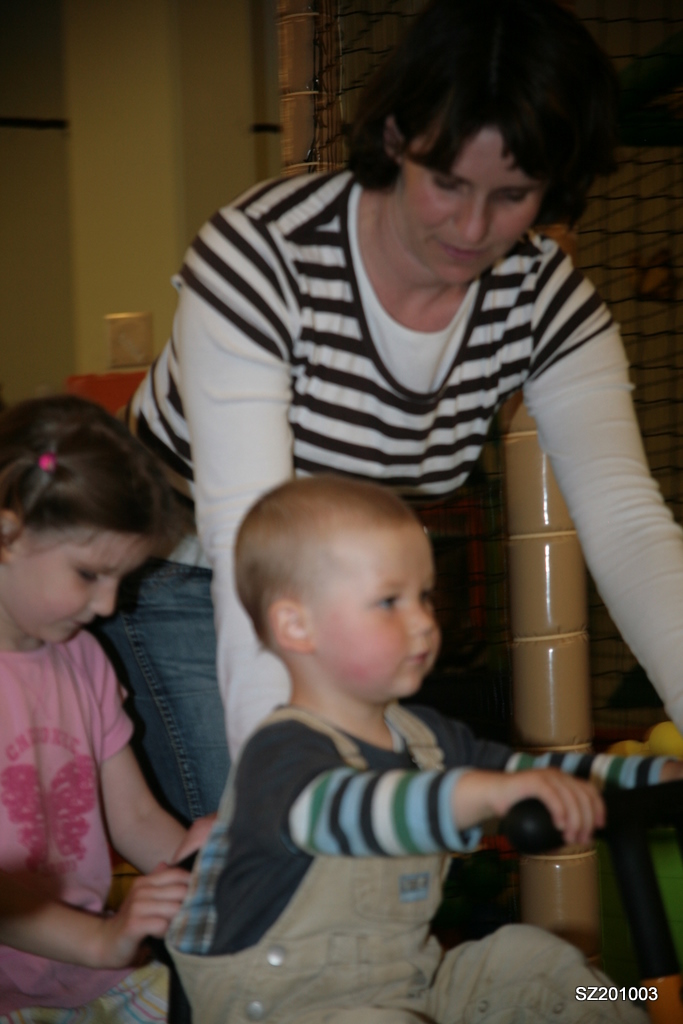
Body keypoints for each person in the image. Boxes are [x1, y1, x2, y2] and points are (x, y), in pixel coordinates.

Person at [104, 0, 683, 818]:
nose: (472, 227)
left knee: (380, 840)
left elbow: (627, 526)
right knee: (274, 827)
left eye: (512, 194)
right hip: (184, 570)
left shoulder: (542, 299)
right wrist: (282, 796)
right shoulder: (262, 258)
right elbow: (249, 541)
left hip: (345, 590)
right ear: (393, 139)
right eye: (447, 183)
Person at [168, 476, 681, 1024]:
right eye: (390, 601)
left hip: (406, 986)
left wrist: (648, 777)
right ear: (297, 626)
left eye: (425, 596)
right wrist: (487, 792)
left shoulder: (426, 739)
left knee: (535, 963)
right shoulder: (281, 752)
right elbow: (345, 810)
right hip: (280, 1008)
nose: (423, 621)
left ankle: (637, 1008)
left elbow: (529, 770)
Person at [0, 396, 213, 1023]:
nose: (107, 606)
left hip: (92, 977)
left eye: (123, 578)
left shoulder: (85, 657)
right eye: (89, 574)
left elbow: (137, 818)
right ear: (7, 534)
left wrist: (202, 866)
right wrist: (102, 938)